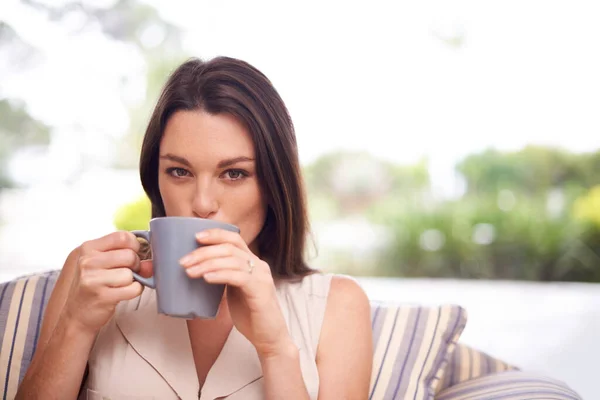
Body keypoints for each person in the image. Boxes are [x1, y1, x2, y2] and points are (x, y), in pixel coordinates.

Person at [16, 56, 373, 400]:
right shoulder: (89, 276)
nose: (203, 203)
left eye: (234, 173)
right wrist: (75, 326)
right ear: (155, 178)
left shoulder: (336, 305)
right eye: (180, 171)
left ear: (273, 184)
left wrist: (275, 348)